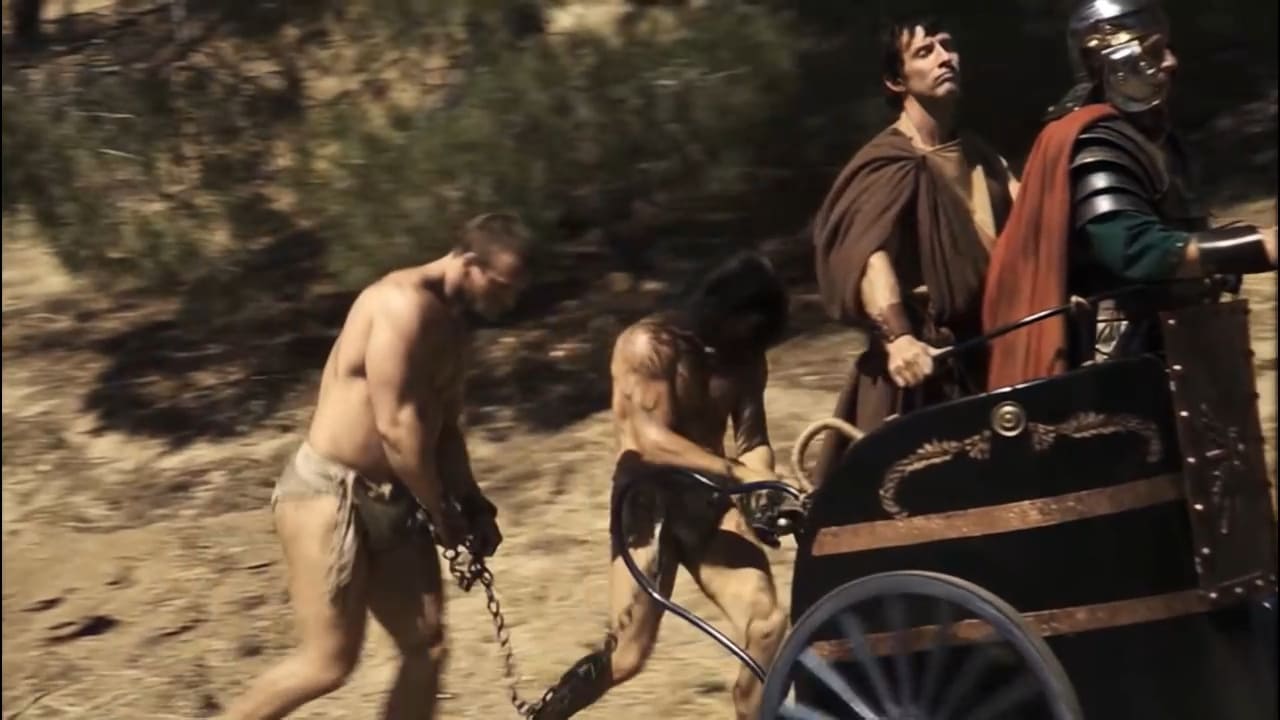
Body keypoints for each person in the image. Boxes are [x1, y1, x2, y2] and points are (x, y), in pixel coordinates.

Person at [222, 213, 533, 720]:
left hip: (395, 499)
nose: (508, 303)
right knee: (328, 663)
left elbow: (445, 429)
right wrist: (440, 513)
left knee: (427, 645)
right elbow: (397, 427)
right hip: (330, 494)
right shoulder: (400, 304)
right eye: (501, 287)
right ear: (469, 263)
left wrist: (472, 502)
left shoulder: (453, 328)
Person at [530, 251, 795, 720]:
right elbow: (648, 441)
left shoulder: (746, 359)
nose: (750, 340)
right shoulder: (649, 347)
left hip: (708, 500)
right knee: (627, 656)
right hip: (645, 504)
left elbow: (753, 441)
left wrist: (765, 490)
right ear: (729, 313)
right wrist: (740, 474)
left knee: (769, 624)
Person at [982, 0, 1277, 389]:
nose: (1170, 62)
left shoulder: (1154, 136)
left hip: (1182, 344)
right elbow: (1135, 249)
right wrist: (1258, 247)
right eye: (1154, 52)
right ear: (1112, 61)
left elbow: (1182, 232)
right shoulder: (1096, 141)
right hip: (1123, 359)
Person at [809, 13, 1021, 484]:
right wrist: (899, 337)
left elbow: (1032, 223)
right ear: (896, 80)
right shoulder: (888, 162)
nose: (945, 58)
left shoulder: (982, 155)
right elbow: (870, 257)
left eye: (948, 45)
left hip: (989, 364)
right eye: (925, 52)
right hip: (918, 380)